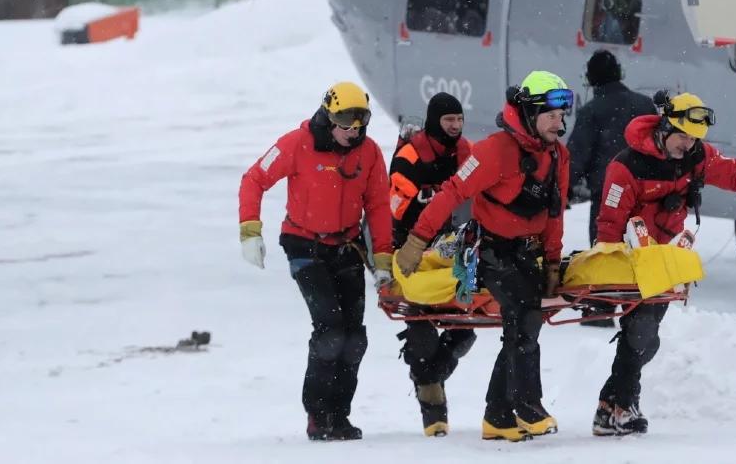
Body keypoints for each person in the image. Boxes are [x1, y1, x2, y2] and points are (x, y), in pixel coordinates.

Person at [590, 92, 736, 437]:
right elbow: (608, 221)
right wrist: (607, 272)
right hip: (632, 260)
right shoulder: (627, 166)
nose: (688, 144)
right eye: (683, 136)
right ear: (664, 128)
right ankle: (622, 408)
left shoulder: (695, 157)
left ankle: (609, 408)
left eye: (694, 138)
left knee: (646, 341)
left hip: (668, 261)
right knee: (641, 335)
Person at [394, 71, 572, 442]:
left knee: (522, 327)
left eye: (563, 113)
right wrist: (416, 241)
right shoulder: (493, 151)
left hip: (528, 253)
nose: (561, 122)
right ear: (529, 114)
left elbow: (555, 212)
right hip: (488, 250)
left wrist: (553, 262)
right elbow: (451, 194)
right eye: (552, 114)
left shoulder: (559, 156)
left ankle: (498, 416)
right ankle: (527, 405)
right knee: (523, 315)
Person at [238, 81, 392, 441]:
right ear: (328, 116)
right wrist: (250, 230)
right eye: (345, 125)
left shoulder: (368, 153)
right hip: (304, 246)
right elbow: (254, 179)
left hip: (347, 247)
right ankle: (317, 413)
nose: (352, 134)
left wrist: (382, 256)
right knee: (330, 332)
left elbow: (380, 206)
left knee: (354, 339)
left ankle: (339, 415)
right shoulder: (297, 143)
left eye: (359, 126)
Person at [373, 92, 476, 437]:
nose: (455, 127)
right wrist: (427, 205)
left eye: (459, 121)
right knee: (420, 331)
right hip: (409, 248)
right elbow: (396, 204)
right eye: (449, 121)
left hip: (446, 248)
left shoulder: (465, 152)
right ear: (435, 122)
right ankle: (434, 414)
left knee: (464, 330)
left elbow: (487, 177)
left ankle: (430, 375)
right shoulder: (410, 154)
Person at [567, 50, 656, 244]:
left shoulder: (591, 111)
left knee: (606, 257)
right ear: (618, 73)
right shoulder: (646, 105)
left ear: (591, 78)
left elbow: (576, 157)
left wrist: (563, 190)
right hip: (647, 197)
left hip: (608, 199)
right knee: (645, 258)